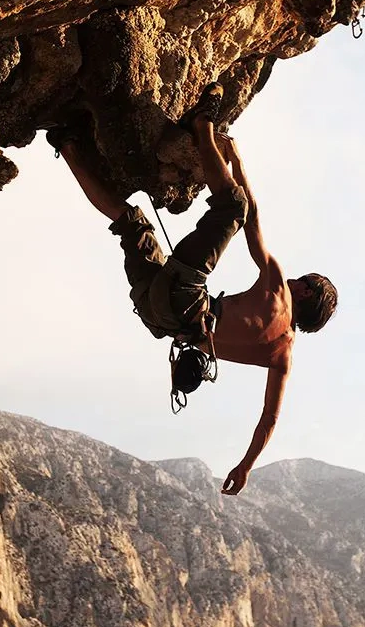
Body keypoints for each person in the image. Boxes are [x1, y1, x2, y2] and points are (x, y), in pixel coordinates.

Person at [48, 85, 338, 496]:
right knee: (131, 221)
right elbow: (269, 420)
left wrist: (236, 161)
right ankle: (68, 143)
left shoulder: (280, 291)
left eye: (304, 280)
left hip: (187, 299)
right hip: (158, 319)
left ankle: (202, 122)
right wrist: (246, 466)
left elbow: (250, 217)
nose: (296, 280)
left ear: (308, 294)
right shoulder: (282, 358)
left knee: (231, 208)